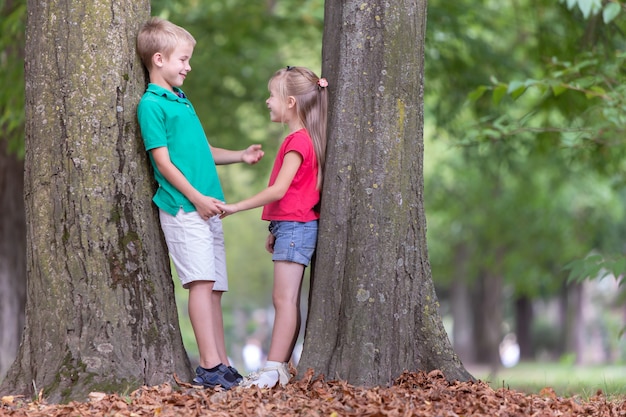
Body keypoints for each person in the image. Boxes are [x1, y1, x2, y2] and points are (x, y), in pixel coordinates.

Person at [136, 17, 264, 390]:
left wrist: (240, 155)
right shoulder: (151, 104)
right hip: (183, 207)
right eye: (183, 60)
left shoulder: (181, 100)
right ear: (159, 59)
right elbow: (162, 162)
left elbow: (202, 152)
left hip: (208, 207)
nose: (188, 67)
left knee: (216, 287)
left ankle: (223, 363)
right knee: (201, 282)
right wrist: (195, 198)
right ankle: (209, 368)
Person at [216, 66, 328, 388]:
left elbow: (279, 190)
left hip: (296, 228)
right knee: (285, 299)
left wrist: (236, 206)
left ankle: (274, 368)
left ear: (291, 102)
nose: (267, 101)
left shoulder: (298, 141)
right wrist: (275, 228)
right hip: (290, 227)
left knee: (284, 300)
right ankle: (277, 366)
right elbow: (296, 193)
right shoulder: (303, 139)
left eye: (272, 95)